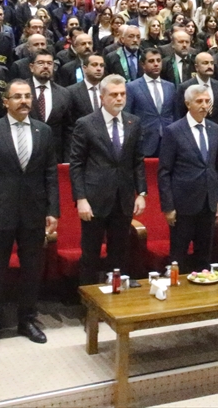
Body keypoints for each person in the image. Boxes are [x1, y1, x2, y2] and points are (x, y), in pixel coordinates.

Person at [0, 81, 59, 350]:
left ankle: (27, 320)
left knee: (31, 270)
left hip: (33, 212)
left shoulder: (43, 131)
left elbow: (50, 174)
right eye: (17, 97)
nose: (23, 101)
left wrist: (53, 210)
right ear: (5, 101)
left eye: (27, 96)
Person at [69, 75, 146, 285]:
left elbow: (137, 160)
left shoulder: (133, 122)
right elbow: (76, 164)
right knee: (91, 254)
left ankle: (117, 297)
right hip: (94, 198)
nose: (119, 99)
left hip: (123, 197)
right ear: (102, 97)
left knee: (119, 252)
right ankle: (88, 302)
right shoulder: (85, 124)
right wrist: (81, 198)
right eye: (114, 95)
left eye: (122, 94)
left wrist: (142, 193)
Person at [158, 83, 218, 272]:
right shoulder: (174, 130)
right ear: (188, 104)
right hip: (183, 205)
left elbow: (217, 166)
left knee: (205, 255)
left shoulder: (214, 129)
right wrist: (168, 206)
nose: (204, 105)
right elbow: (164, 172)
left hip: (208, 202)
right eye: (199, 101)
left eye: (207, 101)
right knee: (178, 256)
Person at [125, 48, 177, 157]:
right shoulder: (132, 87)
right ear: (143, 65)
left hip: (168, 141)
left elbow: (175, 114)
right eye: (151, 61)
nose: (156, 64)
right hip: (144, 142)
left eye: (158, 60)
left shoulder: (170, 86)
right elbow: (128, 116)